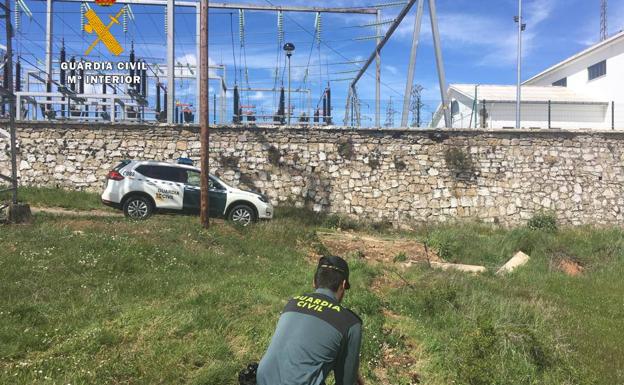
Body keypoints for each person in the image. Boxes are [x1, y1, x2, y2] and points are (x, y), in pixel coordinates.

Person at [257, 256, 364, 385]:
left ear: (314, 281)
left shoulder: (292, 303)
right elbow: (346, 382)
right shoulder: (349, 322)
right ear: (342, 285)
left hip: (261, 380)